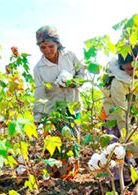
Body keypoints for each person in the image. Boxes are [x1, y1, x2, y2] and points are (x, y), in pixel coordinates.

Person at [33, 25, 85, 178]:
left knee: (71, 143)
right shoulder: (39, 68)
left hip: (72, 109)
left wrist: (73, 82)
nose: (47, 50)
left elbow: (81, 72)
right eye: (43, 47)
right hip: (52, 112)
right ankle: (54, 179)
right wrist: (38, 117)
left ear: (58, 44)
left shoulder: (70, 56)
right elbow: (40, 93)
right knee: (53, 145)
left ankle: (69, 178)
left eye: (51, 46)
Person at [101, 45, 138, 176]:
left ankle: (132, 178)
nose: (136, 71)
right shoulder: (118, 84)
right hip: (115, 121)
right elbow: (122, 118)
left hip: (132, 118)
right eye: (130, 68)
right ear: (122, 67)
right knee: (117, 154)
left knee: (130, 156)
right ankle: (117, 188)